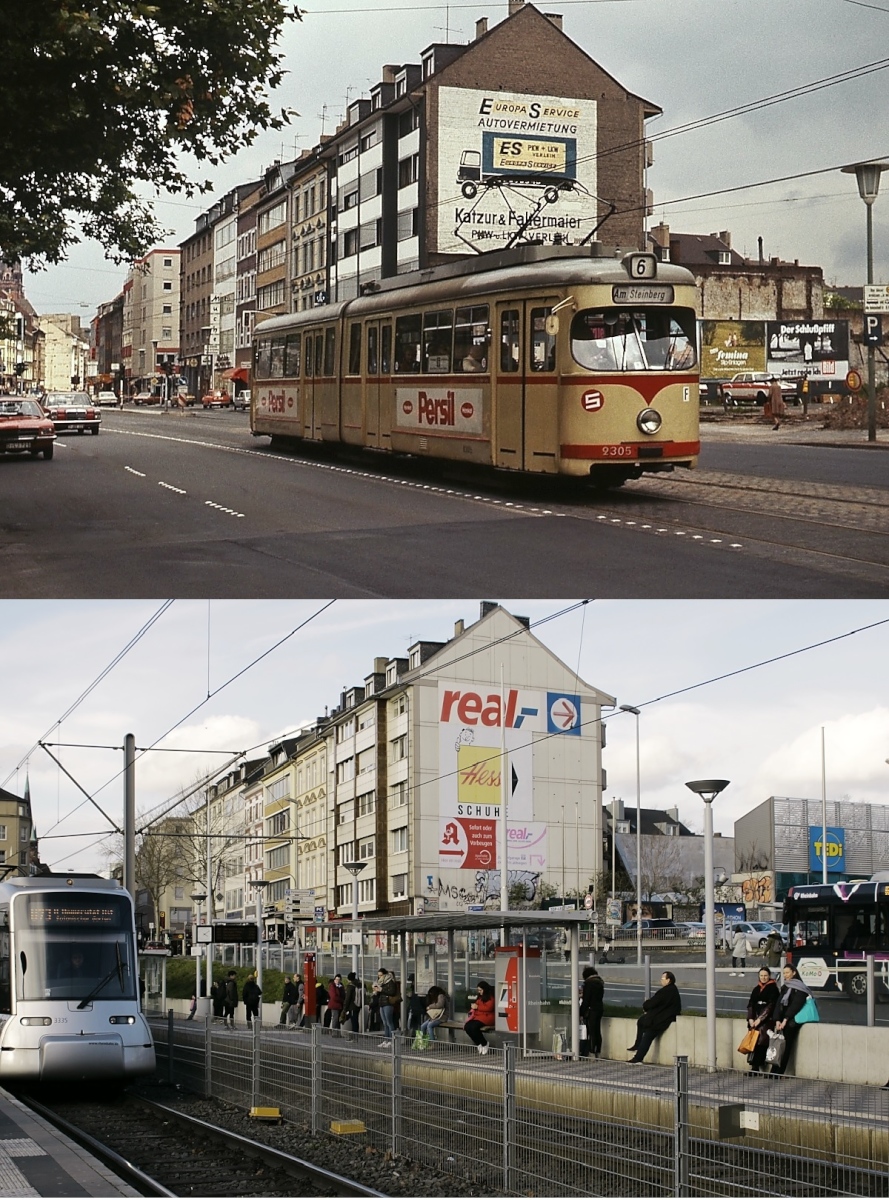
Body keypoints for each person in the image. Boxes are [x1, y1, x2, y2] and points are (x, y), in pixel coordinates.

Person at [627, 971, 681, 1063]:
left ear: (668, 980)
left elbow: (653, 1003)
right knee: (641, 1021)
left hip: (660, 1020)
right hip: (662, 1018)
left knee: (648, 1036)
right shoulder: (672, 990)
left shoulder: (666, 991)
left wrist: (646, 1004)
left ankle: (638, 1057)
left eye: (662, 979)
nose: (661, 981)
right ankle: (637, 1045)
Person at [769, 964, 812, 1076]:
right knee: (778, 1045)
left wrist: (786, 1019)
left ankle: (779, 1072)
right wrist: (777, 1019)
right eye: (784, 973)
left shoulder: (800, 988)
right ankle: (773, 1070)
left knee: (786, 1046)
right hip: (782, 1020)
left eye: (787, 973)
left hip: (792, 1021)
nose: (785, 975)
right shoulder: (786, 986)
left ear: (794, 972)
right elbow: (779, 1003)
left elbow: (796, 1005)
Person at [745, 967, 781, 1073]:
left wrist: (760, 1019)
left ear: (769, 976)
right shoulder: (756, 989)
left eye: (765, 975)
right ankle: (754, 1066)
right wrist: (751, 1018)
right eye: (761, 975)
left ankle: (758, 1065)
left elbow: (771, 1005)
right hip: (755, 1018)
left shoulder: (773, 988)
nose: (763, 978)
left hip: (766, 1020)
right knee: (753, 1043)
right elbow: (751, 1004)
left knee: (762, 1042)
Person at [464, 981, 496, 1055]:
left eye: (480, 990)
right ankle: (478, 1043)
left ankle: (484, 1043)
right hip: (479, 1016)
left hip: (487, 1017)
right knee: (467, 1026)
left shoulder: (490, 997)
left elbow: (489, 1008)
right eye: (478, 990)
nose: (479, 992)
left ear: (485, 989)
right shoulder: (479, 997)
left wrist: (477, 1007)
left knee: (474, 1027)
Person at [579, 966, 604, 1058]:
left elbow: (586, 1000)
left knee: (591, 1031)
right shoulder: (600, 983)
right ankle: (598, 1051)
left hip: (591, 1010)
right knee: (597, 1031)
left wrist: (581, 1012)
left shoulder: (589, 984)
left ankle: (591, 1052)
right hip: (599, 1009)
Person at [373, 968, 400, 1046]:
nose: (379, 977)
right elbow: (380, 993)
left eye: (381, 975)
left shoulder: (390, 981)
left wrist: (381, 990)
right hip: (382, 1003)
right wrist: (376, 990)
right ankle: (386, 1039)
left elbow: (392, 992)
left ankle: (392, 1040)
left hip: (388, 1003)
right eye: (378, 975)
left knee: (389, 1022)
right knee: (384, 1023)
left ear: (385, 975)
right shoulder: (380, 982)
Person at [403, 974, 426, 1039]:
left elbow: (422, 1000)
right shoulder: (413, 989)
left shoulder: (420, 989)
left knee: (419, 1025)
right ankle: (416, 1038)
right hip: (414, 1009)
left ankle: (419, 1039)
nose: (412, 983)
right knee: (414, 1025)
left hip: (419, 1009)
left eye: (412, 981)